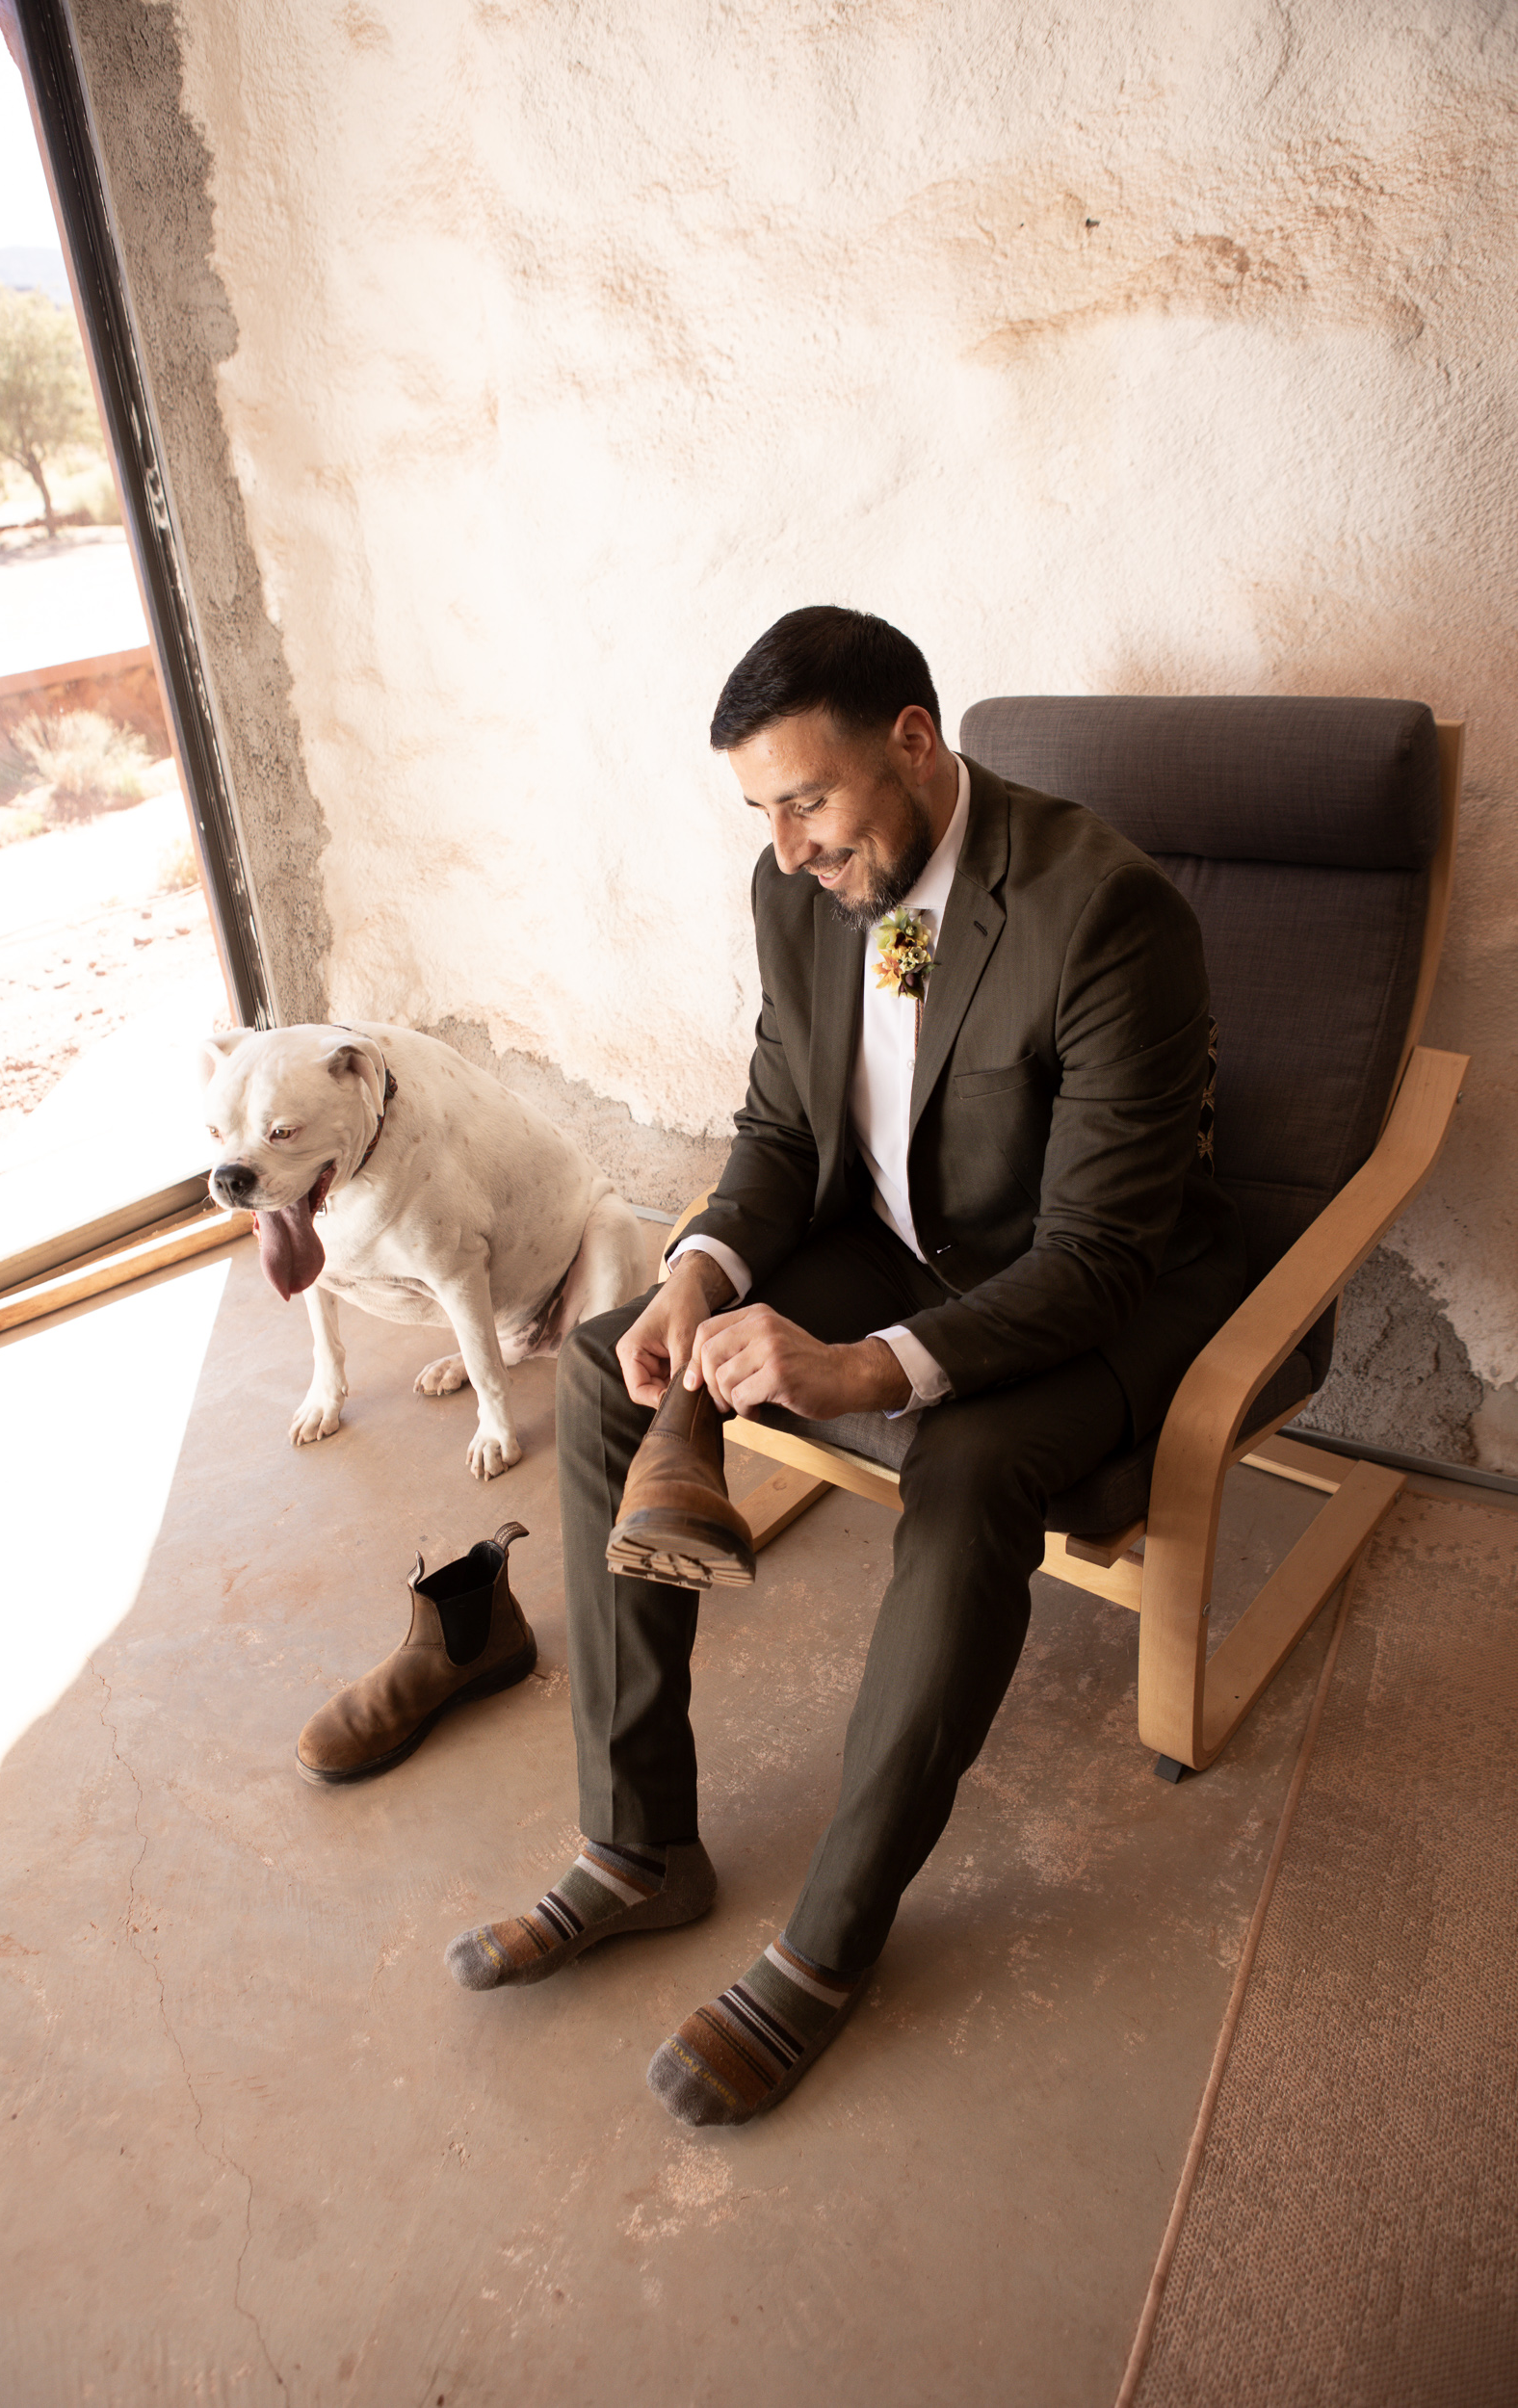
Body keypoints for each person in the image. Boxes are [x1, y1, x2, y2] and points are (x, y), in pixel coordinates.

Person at [447, 607, 1244, 2126]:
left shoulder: (1108, 914)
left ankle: (832, 1941)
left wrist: (864, 1371)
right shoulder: (801, 888)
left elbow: (1098, 1257)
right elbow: (782, 1128)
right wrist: (699, 1273)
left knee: (969, 1468)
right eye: (762, 811)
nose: (786, 847)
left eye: (806, 800)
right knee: (617, 1365)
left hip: (1097, 1287)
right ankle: (639, 1846)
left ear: (915, 743)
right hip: (901, 1230)